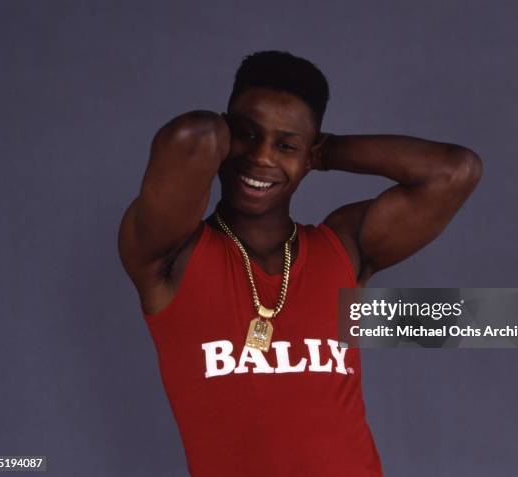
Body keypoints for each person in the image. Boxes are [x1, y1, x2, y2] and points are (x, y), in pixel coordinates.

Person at [117, 50, 482, 476]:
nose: (262, 158)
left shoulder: (343, 249)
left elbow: (455, 170)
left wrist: (320, 152)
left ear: (309, 154)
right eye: (246, 135)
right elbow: (194, 136)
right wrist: (274, 141)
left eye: (284, 145)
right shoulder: (169, 256)